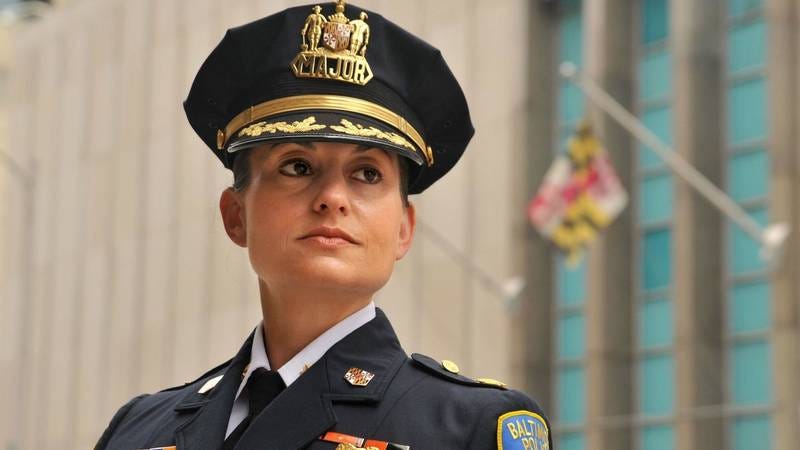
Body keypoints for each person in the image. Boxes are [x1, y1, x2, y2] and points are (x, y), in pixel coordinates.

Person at [95, 1, 552, 449]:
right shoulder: (139, 430)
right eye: (297, 166)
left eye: (367, 173)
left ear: (403, 230)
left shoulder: (467, 429)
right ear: (236, 216)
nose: (332, 198)